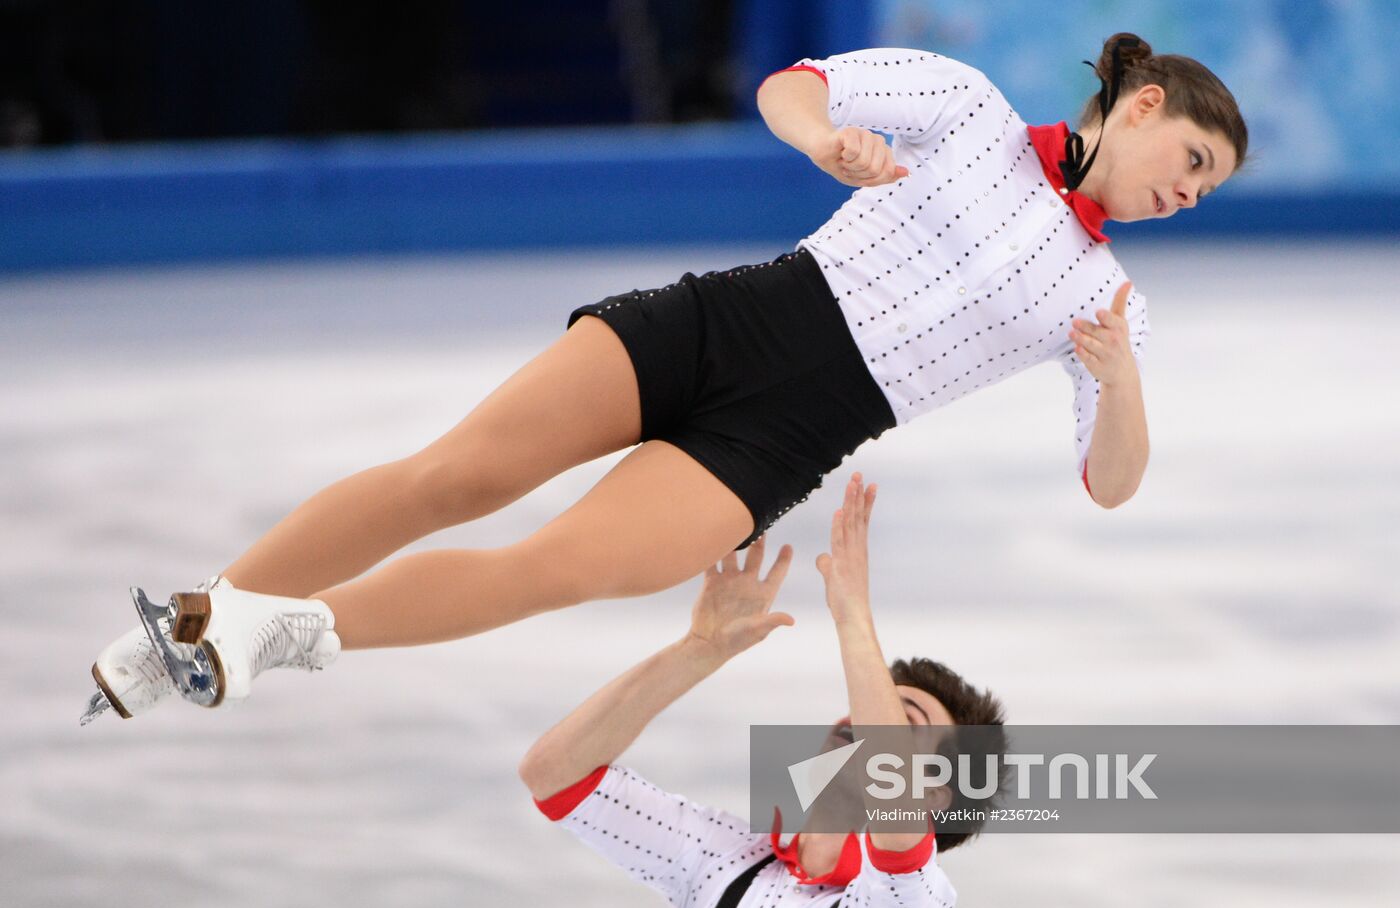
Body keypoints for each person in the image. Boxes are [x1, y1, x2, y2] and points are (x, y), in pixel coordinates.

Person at [84, 32, 1247, 719]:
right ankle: (189, 625)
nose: (1183, 196)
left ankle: (266, 634)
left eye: (1202, 193)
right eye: (1188, 162)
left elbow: (1111, 483)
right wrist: (823, 142)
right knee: (456, 474)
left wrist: (1119, 380)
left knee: (556, 568)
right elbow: (792, 85)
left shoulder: (1107, 305)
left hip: (789, 435)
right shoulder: (968, 106)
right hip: (728, 322)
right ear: (1140, 106)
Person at [518, 475, 1006, 908]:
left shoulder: (912, 905)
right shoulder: (723, 858)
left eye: (902, 722)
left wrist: (853, 616)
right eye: (871, 703)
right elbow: (553, 773)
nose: (865, 719)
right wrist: (698, 651)